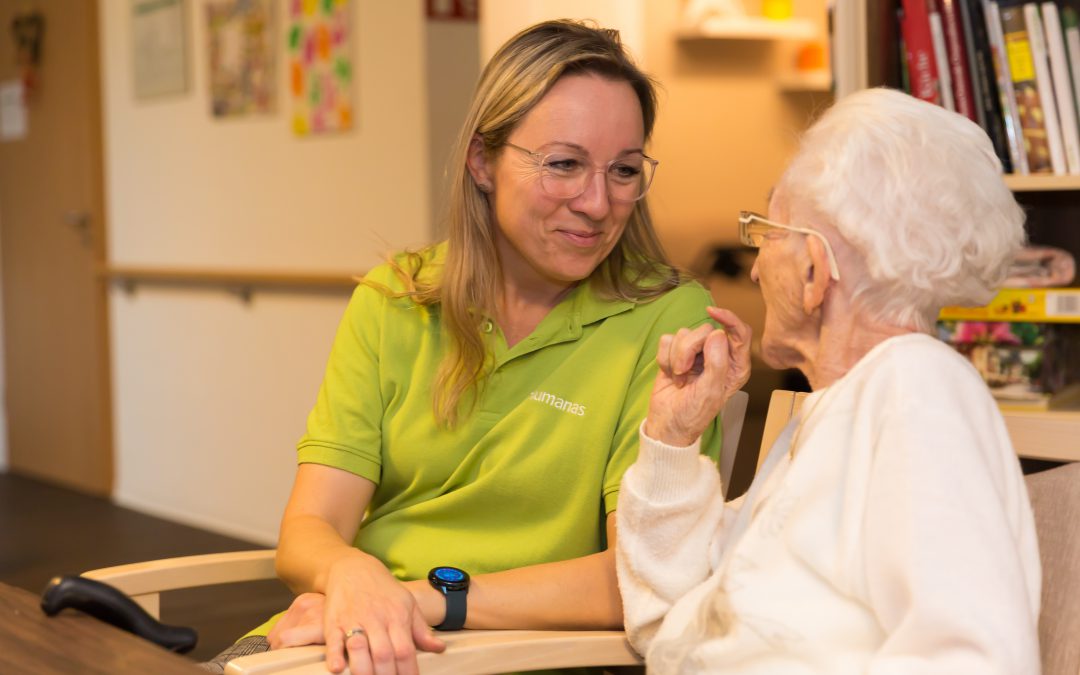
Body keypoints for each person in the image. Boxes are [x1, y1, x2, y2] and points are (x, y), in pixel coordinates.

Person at [199, 19, 751, 675]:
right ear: (482, 161)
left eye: (625, 170)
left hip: (512, 650)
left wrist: (419, 599)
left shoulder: (670, 320)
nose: (598, 202)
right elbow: (309, 529)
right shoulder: (394, 299)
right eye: (564, 163)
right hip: (348, 632)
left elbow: (638, 576)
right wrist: (350, 574)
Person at [616, 87, 1041, 673]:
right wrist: (673, 435)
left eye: (767, 232)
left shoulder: (916, 388)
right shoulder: (830, 416)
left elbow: (973, 657)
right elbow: (668, 624)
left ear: (815, 272)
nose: (758, 265)